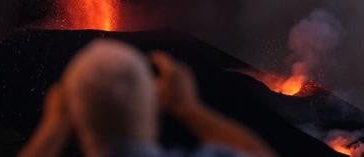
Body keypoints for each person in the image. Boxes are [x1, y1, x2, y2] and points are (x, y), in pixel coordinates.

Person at [17, 40, 277, 157]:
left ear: (72, 116)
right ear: (155, 104)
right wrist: (189, 108)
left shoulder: (60, 122)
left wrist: (52, 129)